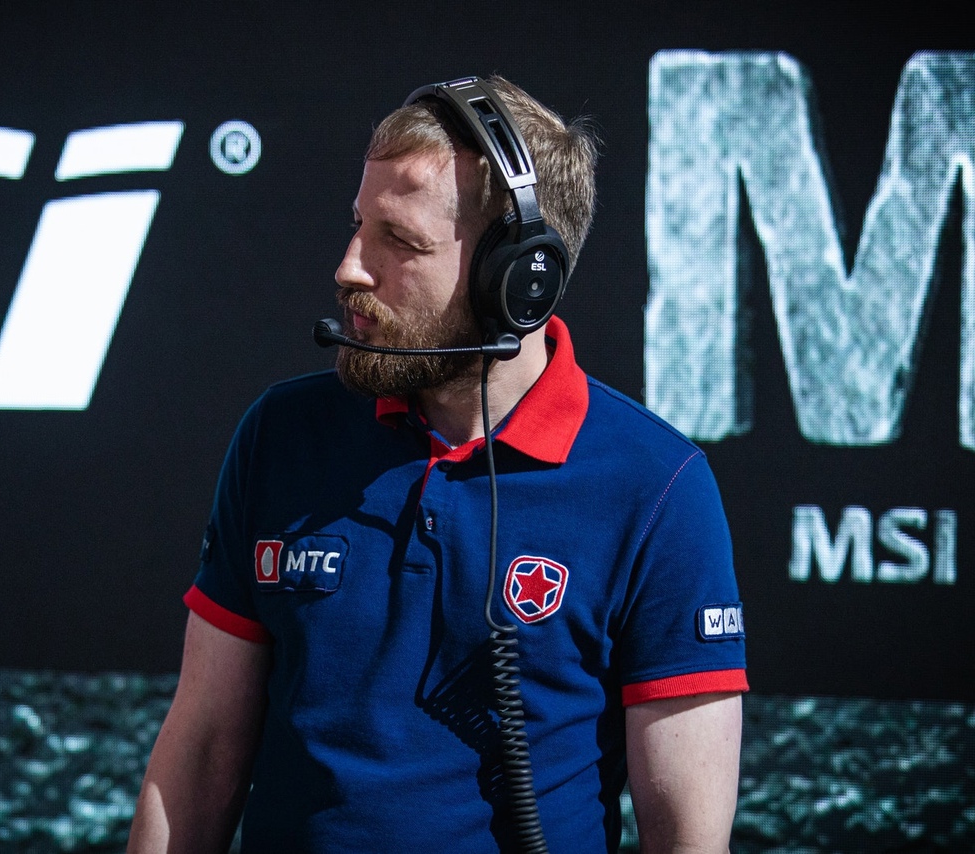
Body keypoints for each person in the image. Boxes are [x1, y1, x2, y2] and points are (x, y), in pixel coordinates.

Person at [127, 75, 747, 854]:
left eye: (401, 240)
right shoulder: (282, 434)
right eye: (358, 225)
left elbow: (688, 837)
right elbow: (204, 743)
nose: (350, 267)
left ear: (520, 280)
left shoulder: (656, 486)